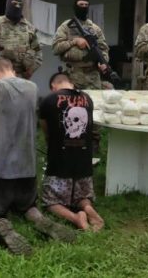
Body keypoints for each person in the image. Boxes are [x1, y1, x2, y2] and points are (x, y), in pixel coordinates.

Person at [0, 58, 76, 256]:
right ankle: (40, 220)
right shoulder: (32, 88)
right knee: (28, 206)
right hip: (26, 163)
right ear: (13, 69)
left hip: (0, 166)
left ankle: (0, 227)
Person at [39, 71, 105, 231]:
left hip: (59, 162)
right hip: (84, 162)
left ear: (53, 86)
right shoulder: (87, 100)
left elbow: (45, 130)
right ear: (72, 84)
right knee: (82, 196)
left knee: (50, 201)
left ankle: (76, 218)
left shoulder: (48, 100)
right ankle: (88, 209)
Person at [52, 0, 109, 90]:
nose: (84, 7)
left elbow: (104, 49)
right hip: (72, 77)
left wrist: (103, 62)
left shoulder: (95, 29)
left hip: (93, 78)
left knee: (93, 103)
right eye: (81, 5)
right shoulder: (66, 27)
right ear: (75, 6)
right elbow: (56, 48)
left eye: (86, 5)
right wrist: (74, 41)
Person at [0, 0, 42, 79]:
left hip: (20, 77)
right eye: (14, 4)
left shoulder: (29, 28)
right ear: (8, 4)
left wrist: (31, 69)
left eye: (20, 4)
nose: (17, 6)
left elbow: (38, 52)